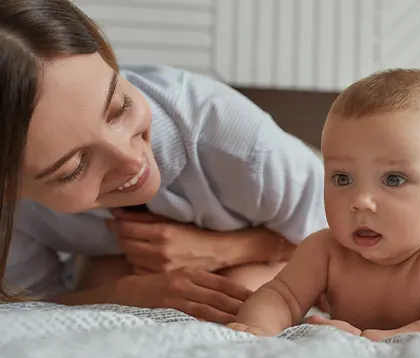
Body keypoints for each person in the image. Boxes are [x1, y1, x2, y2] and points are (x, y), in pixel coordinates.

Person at [0, 0, 327, 324]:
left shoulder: (238, 143)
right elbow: (33, 302)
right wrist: (127, 294)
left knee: (239, 298)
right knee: (104, 277)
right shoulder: (11, 204)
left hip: (288, 224)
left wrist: (226, 249)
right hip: (121, 260)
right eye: (74, 168)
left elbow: (345, 241)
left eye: (119, 109)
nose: (131, 161)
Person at [227, 69, 420, 343]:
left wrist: (363, 337)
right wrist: (257, 327)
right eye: (342, 178)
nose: (360, 201)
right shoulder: (324, 249)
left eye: (393, 179)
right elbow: (280, 296)